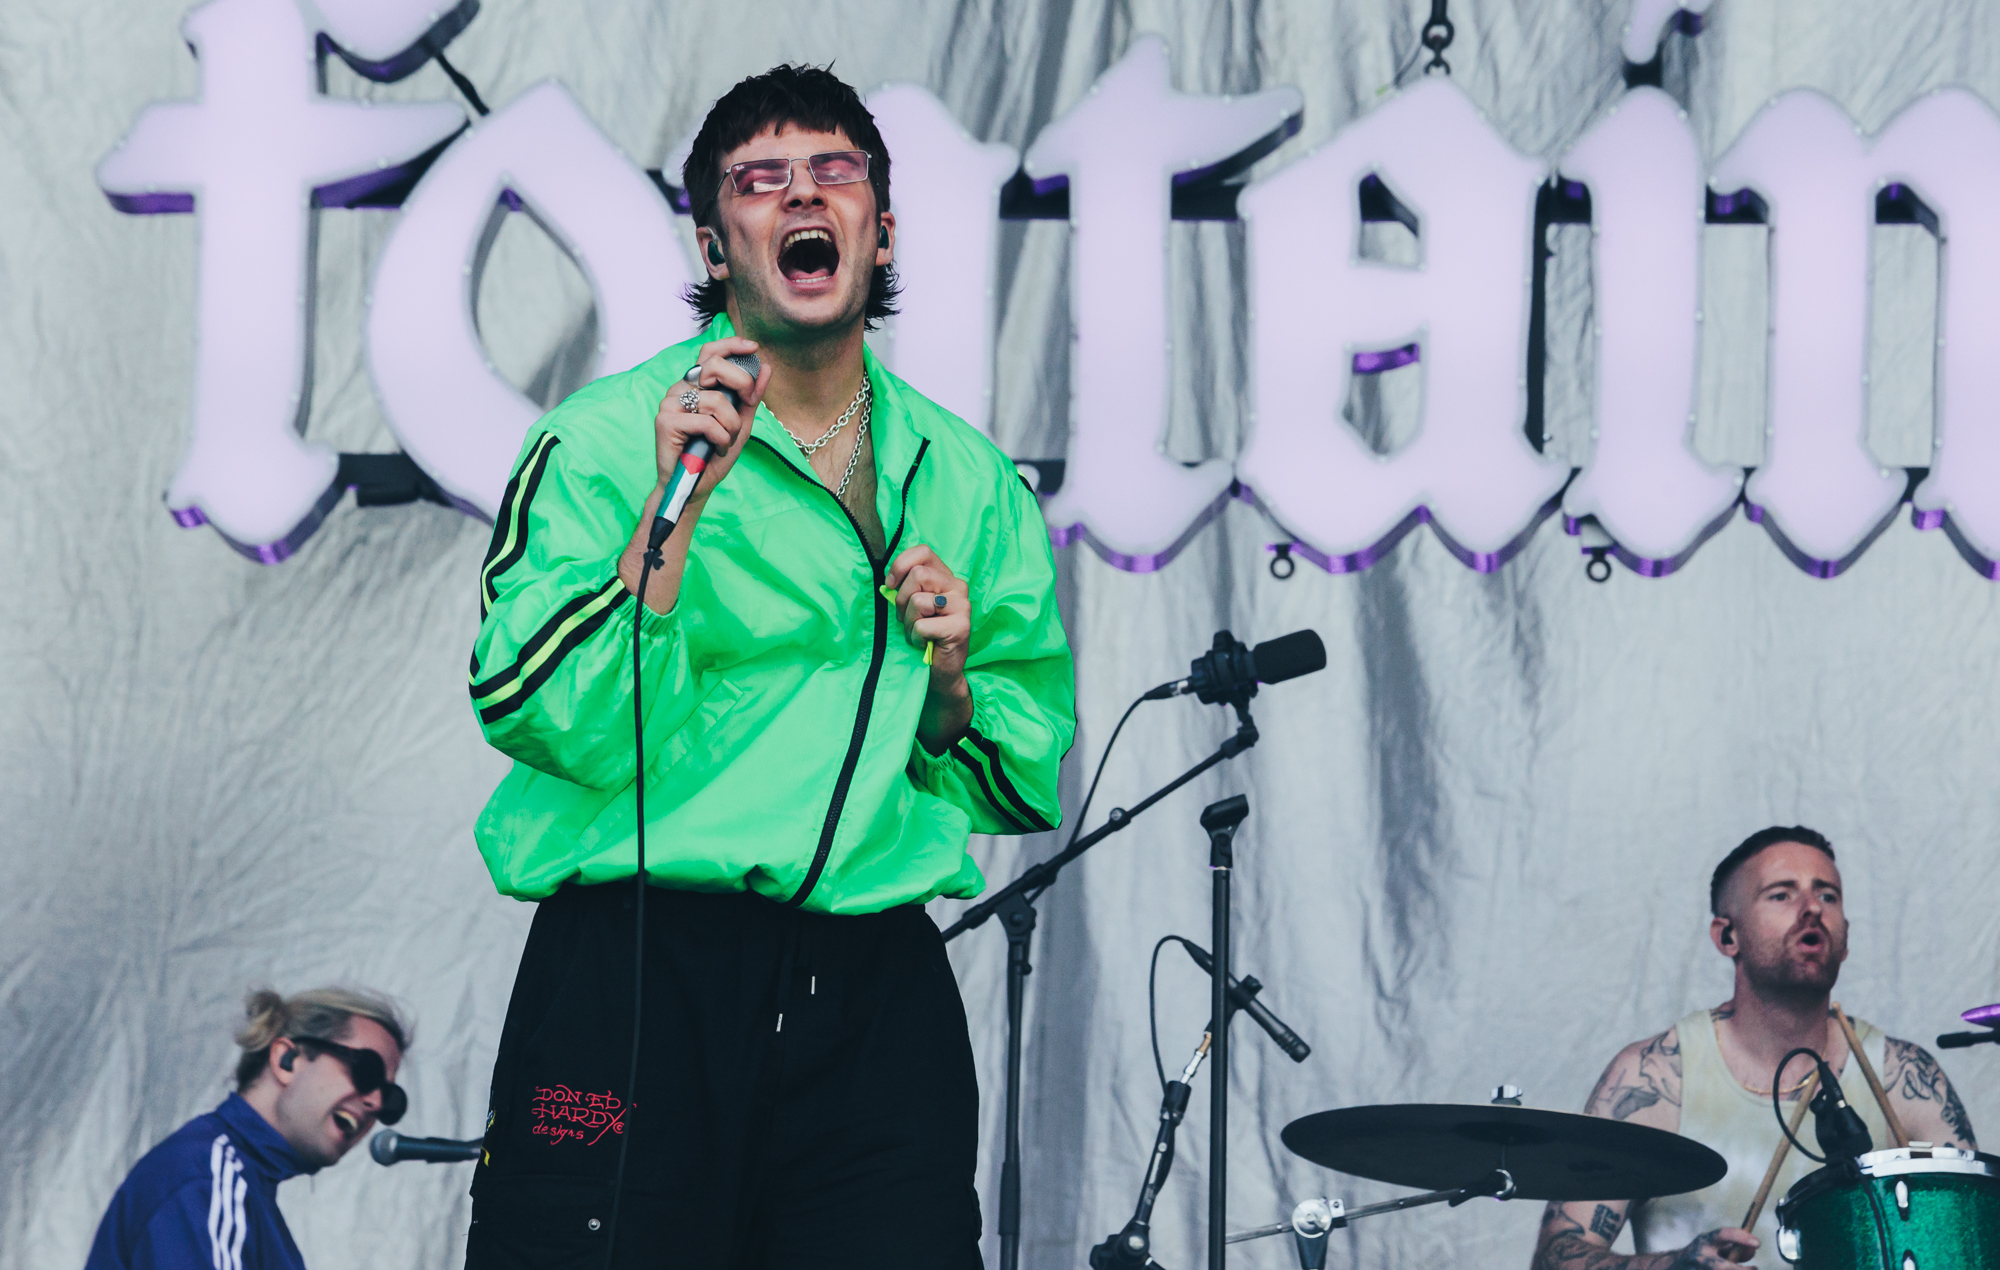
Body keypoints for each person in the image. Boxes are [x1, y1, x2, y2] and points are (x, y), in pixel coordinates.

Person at [463, 63, 1074, 1269]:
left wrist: (947, 684)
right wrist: (666, 521)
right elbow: (534, 707)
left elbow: (1018, 771)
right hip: (642, 969)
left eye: (835, 171)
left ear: (879, 228)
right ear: (715, 238)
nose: (804, 194)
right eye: (761, 179)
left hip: (869, 983)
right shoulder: (597, 442)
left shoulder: (965, 475)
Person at [1529, 827, 1976, 1270]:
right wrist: (1671, 1267)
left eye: (1828, 896)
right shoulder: (1656, 1077)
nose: (1811, 910)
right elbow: (1554, 1257)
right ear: (1727, 937)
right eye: (1781, 895)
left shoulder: (1905, 1077)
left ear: (1846, 938)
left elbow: (1973, 1241)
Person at [84, 987, 411, 1270]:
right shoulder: (207, 1178)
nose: (376, 1102)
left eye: (391, 1097)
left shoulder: (238, 1184)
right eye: (366, 1072)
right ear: (287, 1059)